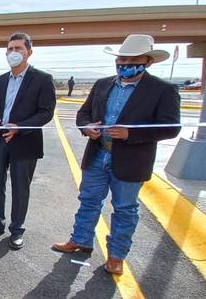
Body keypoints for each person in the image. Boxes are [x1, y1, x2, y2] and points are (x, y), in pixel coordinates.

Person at [52, 34, 181, 275]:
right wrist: (87, 127)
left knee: (124, 209)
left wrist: (130, 134)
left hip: (130, 162)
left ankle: (116, 256)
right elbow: (83, 114)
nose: (125, 63)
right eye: (122, 58)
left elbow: (171, 127)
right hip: (98, 154)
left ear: (148, 61)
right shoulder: (103, 84)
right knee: (88, 200)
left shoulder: (162, 90)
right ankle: (80, 240)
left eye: (133, 59)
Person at [0, 33, 56, 250]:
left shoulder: (42, 79)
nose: (13, 53)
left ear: (28, 52)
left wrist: (20, 127)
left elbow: (46, 112)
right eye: (10, 49)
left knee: (20, 187)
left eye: (18, 49)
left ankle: (17, 230)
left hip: (24, 142)